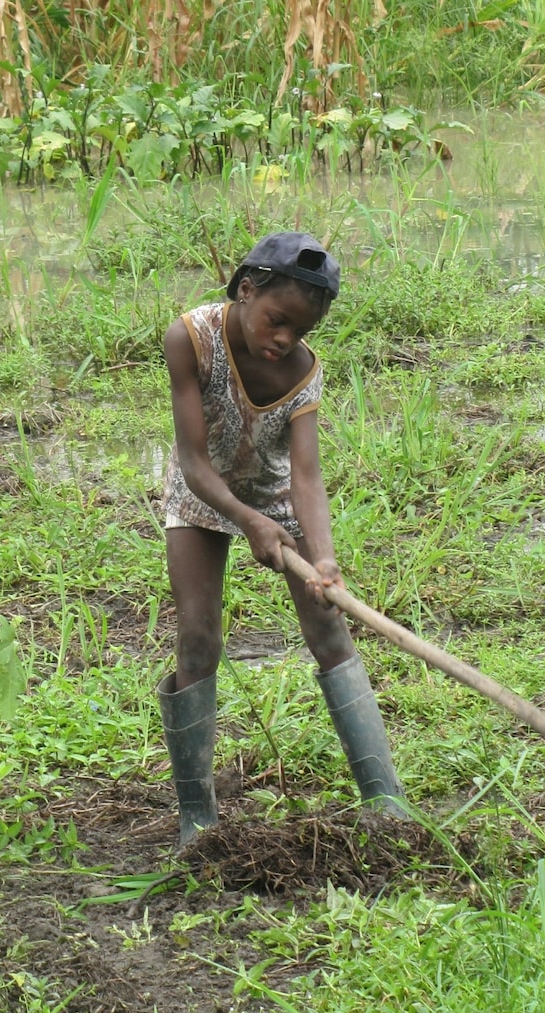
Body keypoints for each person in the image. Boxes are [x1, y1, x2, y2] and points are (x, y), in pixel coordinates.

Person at [157, 231, 406, 847]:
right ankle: (198, 819)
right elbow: (193, 460)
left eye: (299, 331)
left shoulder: (303, 374)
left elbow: (306, 476)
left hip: (274, 498)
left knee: (328, 629)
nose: (284, 339)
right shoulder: (190, 338)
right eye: (276, 321)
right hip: (203, 494)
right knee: (197, 636)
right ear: (246, 290)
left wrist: (321, 558)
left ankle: (387, 801)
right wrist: (245, 520)